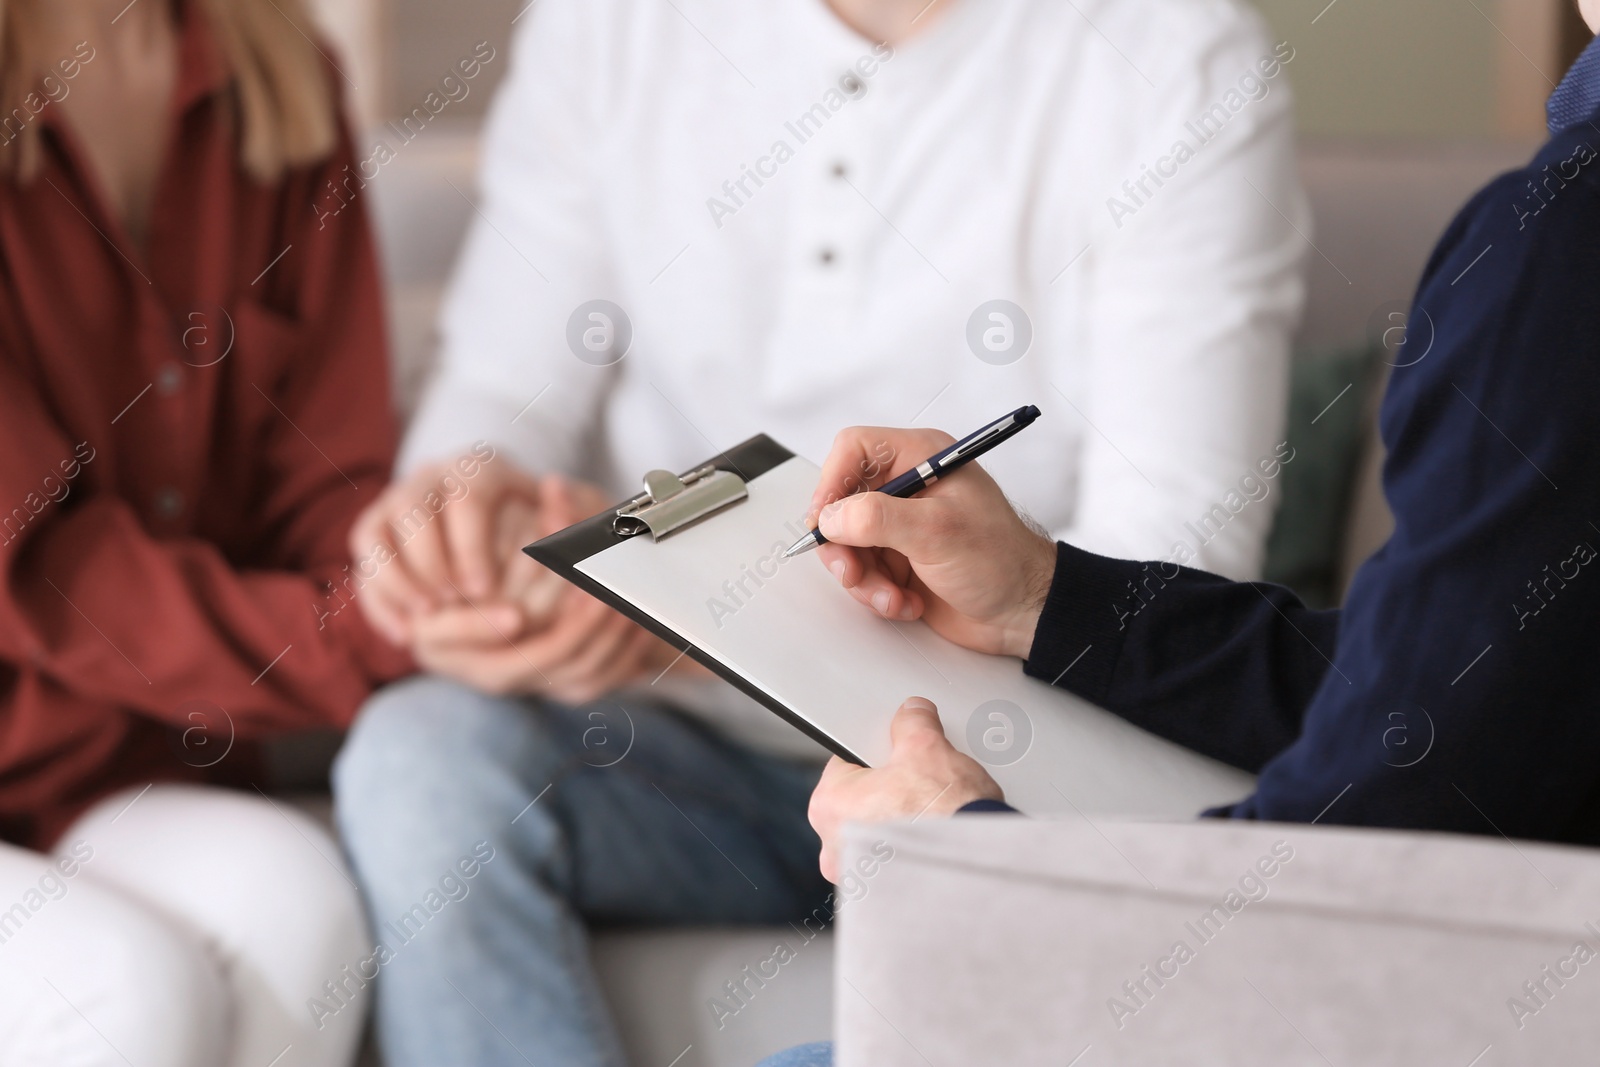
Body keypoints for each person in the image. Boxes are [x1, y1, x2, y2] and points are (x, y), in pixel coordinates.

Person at [330, 0, 1308, 1061]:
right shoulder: (607, 22)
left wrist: (694, 624)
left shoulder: (1172, 51)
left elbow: (1174, 579)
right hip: (684, 760)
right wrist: (448, 537)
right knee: (421, 759)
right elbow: (497, 387)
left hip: (1004, 770)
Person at [760, 7, 1600, 1057]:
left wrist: (960, 864)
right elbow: (1445, 702)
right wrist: (1046, 593)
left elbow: (1340, 894)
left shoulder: (1561, 247)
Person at [0, 0, 411, 1063]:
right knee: (124, 990)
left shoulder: (276, 74)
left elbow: (326, 480)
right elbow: (39, 565)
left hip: (116, 764)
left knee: (299, 907)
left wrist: (413, 585)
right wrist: (364, 641)